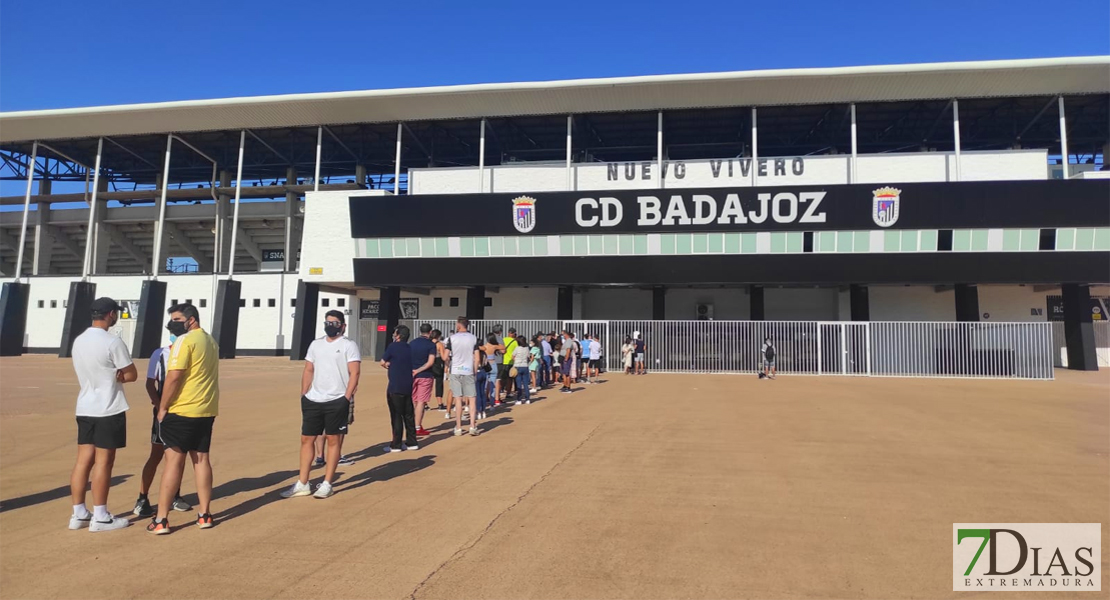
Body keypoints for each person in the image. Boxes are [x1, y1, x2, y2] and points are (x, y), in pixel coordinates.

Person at [147, 302, 220, 534]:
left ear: (191, 319)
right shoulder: (210, 341)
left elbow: (174, 376)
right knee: (201, 460)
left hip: (181, 409)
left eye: (177, 319)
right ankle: (205, 514)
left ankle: (161, 519)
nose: (173, 324)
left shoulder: (184, 341)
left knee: (173, 462)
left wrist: (163, 407)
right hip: (205, 410)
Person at [70, 297, 137, 532]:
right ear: (110, 314)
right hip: (108, 407)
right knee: (104, 462)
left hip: (85, 405)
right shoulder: (112, 341)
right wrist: (119, 374)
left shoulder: (79, 340)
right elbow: (131, 374)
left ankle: (78, 513)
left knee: (83, 461)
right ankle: (100, 515)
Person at [281, 310, 361, 500]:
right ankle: (303, 483)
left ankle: (327, 483)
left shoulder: (349, 345)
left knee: (333, 440)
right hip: (313, 399)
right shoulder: (316, 344)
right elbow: (309, 369)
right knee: (306, 439)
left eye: (334, 323)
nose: (330, 325)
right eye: (327, 322)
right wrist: (304, 393)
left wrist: (346, 397)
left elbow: (355, 373)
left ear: (342, 326)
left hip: (337, 399)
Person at [133, 330, 191, 518]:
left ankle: (175, 495)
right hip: (163, 413)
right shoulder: (160, 354)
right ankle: (142, 498)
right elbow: (150, 384)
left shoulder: (191, 352)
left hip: (184, 412)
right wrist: (160, 408)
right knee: (156, 454)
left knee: (178, 456)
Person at [380, 325, 418, 452]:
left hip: (395, 386)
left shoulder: (393, 346)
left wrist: (387, 364)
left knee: (396, 415)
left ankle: (396, 444)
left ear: (399, 336)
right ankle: (412, 442)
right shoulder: (410, 348)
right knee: (408, 414)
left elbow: (382, 361)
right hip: (408, 384)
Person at [445, 317, 480, 436]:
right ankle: (472, 426)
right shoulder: (473, 338)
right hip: (468, 370)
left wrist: (448, 365)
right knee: (472, 399)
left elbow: (445, 356)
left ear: (459, 325)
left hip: (455, 370)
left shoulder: (452, 338)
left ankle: (459, 427)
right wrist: (474, 371)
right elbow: (477, 358)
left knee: (458, 398)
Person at [409, 324, 437, 437]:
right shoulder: (431, 345)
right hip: (425, 375)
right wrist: (419, 370)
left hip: (411, 374)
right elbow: (430, 362)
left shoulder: (412, 343)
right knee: (421, 401)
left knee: (413, 399)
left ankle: (413, 424)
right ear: (430, 332)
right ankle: (417, 426)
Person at [499, 327, 519, 401]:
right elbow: (516, 352)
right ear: (514, 334)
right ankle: (508, 392)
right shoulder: (515, 342)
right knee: (510, 378)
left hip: (503, 361)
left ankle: (500, 391)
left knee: (502, 378)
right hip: (511, 361)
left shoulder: (503, 339)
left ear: (508, 333)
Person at [512, 335, 532, 405]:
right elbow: (528, 356)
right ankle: (528, 399)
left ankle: (519, 399)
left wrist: (516, 361)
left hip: (518, 366)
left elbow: (513, 356)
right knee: (526, 384)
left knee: (519, 384)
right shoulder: (527, 348)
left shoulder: (517, 348)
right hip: (525, 366)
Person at [431, 330, 447, 411]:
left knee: (427, 384)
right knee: (439, 384)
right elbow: (443, 356)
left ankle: (424, 403)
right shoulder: (440, 344)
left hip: (428, 364)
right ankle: (440, 403)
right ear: (438, 336)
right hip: (438, 364)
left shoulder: (428, 343)